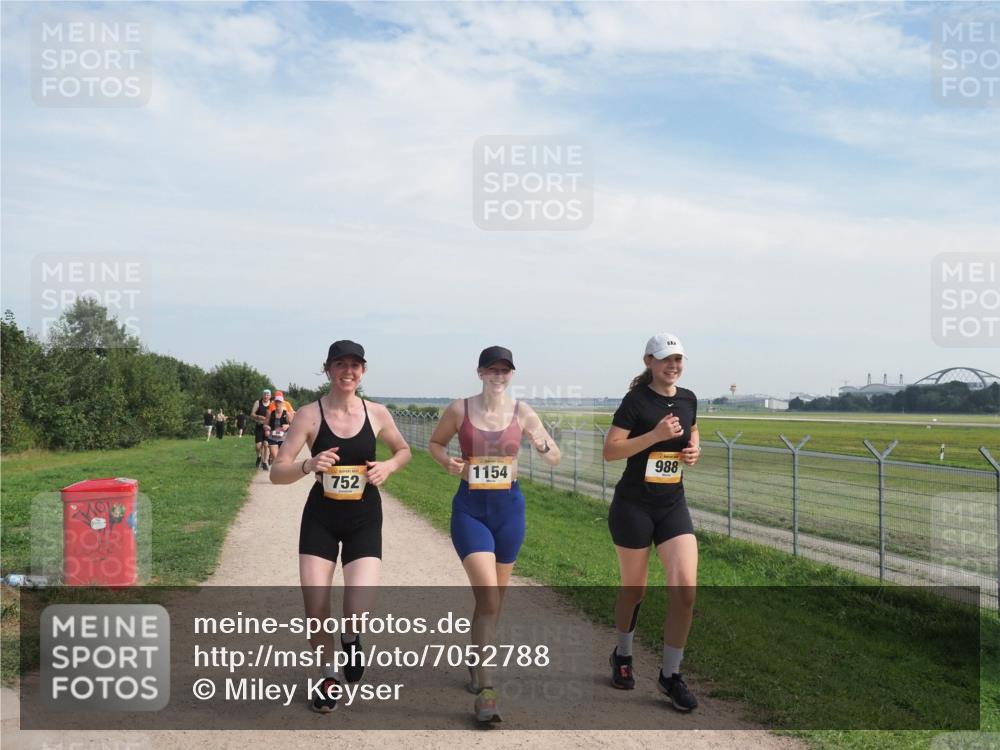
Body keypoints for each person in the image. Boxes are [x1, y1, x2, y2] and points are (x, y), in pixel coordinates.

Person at [270, 340, 411, 713]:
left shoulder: (377, 413)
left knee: (357, 608)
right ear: (328, 369)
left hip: (365, 517)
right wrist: (307, 465)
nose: (348, 371)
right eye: (340, 364)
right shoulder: (307, 415)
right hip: (321, 517)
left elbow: (404, 450)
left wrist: (388, 467)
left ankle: (351, 639)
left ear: (363, 371)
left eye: (355, 365)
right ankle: (328, 674)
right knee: (315, 606)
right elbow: (276, 472)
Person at [428, 345, 560, 722]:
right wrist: (447, 462)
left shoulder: (523, 413)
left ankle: (475, 658)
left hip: (509, 510)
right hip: (471, 510)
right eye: (492, 369)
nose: (498, 375)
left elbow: (554, 457)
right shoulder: (459, 409)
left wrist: (542, 444)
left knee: (494, 601)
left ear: (511, 374)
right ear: (480, 372)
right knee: (488, 595)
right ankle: (486, 688)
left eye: (505, 370)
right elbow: (436, 445)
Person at [601, 333, 701, 712]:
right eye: (665, 359)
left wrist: (693, 451)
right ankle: (622, 656)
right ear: (649, 362)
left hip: (672, 504)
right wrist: (655, 436)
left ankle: (670, 676)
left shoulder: (689, 399)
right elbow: (610, 451)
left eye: (678, 359)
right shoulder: (636, 401)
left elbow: (692, 435)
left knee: (685, 590)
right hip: (633, 507)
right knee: (635, 590)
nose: (672, 365)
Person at [266, 394, 292, 465]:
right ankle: (277, 470)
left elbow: (293, 425)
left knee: (282, 458)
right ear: (274, 402)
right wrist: (267, 428)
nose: (278, 404)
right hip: (273, 437)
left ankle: (281, 471)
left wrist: (287, 426)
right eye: (276, 402)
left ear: (283, 403)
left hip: (283, 438)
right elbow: (265, 425)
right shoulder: (271, 413)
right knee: (276, 457)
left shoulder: (287, 414)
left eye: (279, 402)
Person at [252, 389, 273, 470]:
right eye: (265, 394)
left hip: (267, 427)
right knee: (258, 446)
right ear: (262, 395)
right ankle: (259, 457)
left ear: (270, 396)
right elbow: (252, 414)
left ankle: (264, 462)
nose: (266, 396)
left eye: (268, 395)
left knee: (266, 444)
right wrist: (258, 417)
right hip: (259, 426)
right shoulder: (258, 402)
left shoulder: (272, 404)